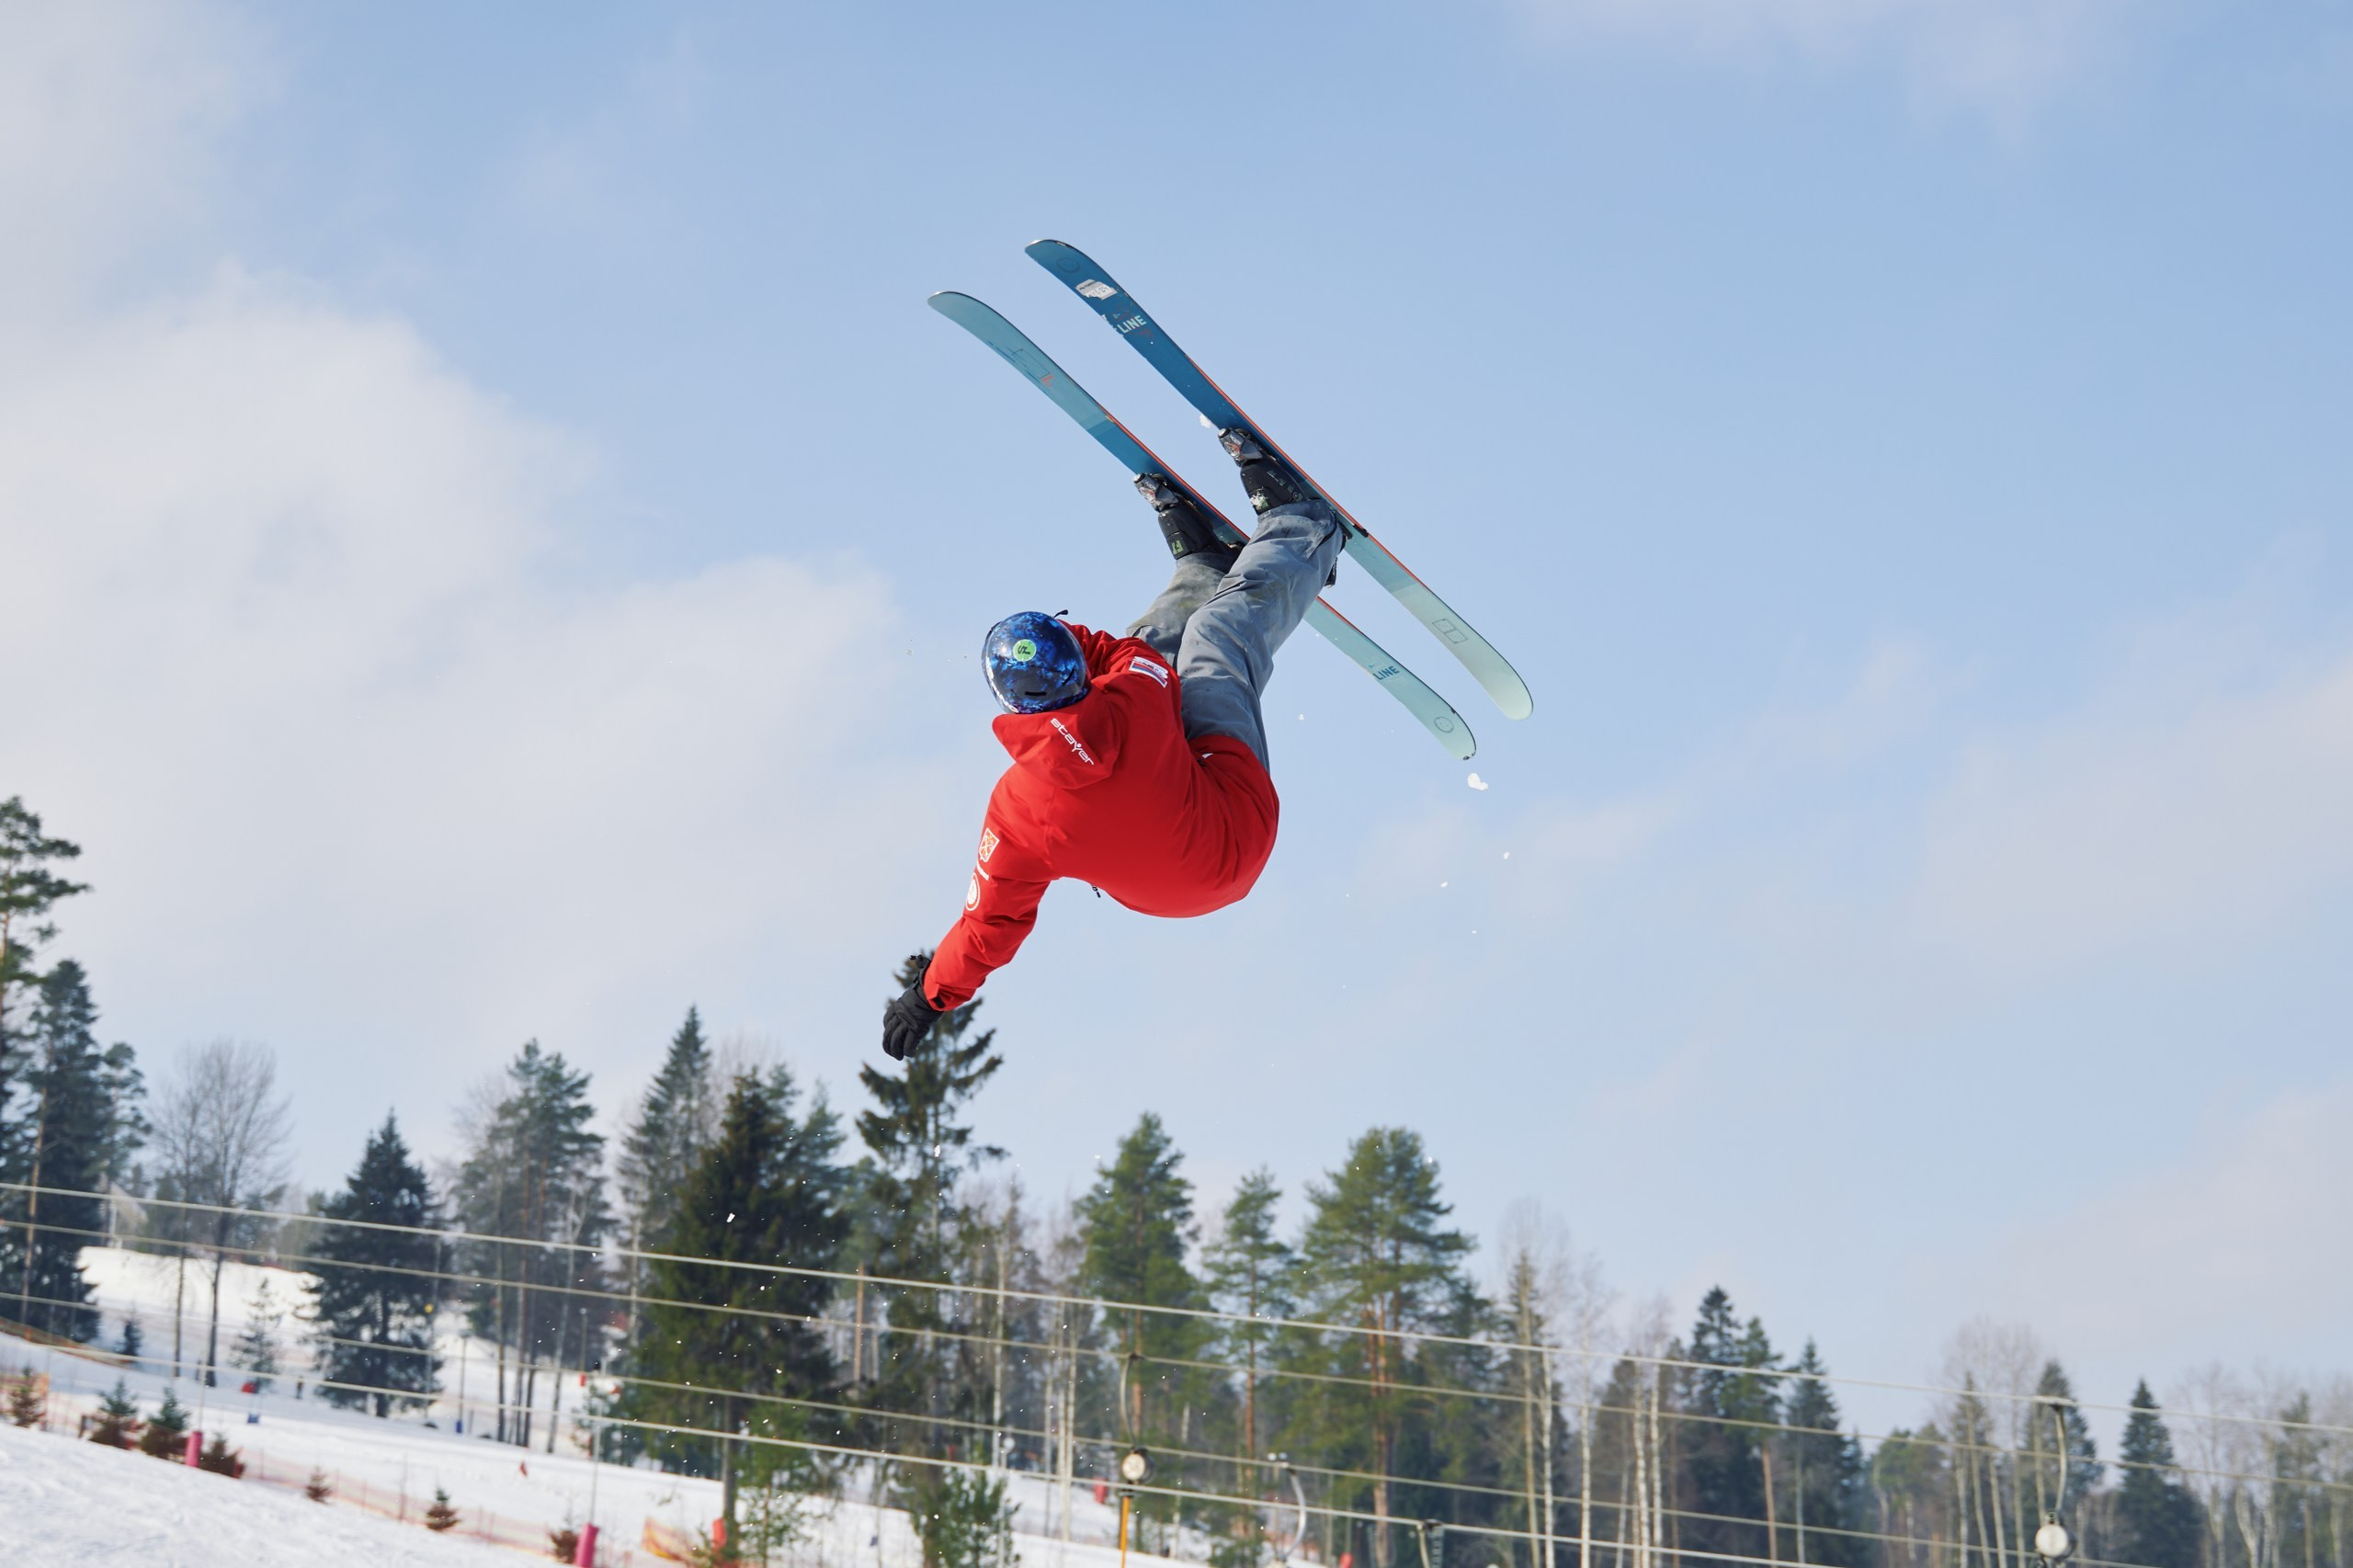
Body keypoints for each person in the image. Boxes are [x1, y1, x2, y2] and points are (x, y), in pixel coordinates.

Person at [880, 434, 1347, 1059]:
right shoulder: (1133, 695)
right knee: (1215, 641)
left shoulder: (1016, 813)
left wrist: (931, 995)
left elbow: (990, 925)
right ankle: (1304, 530)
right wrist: (1064, 635)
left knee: (1157, 651)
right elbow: (1128, 657)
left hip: (1168, 889)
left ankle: (1203, 567)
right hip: (1232, 825)